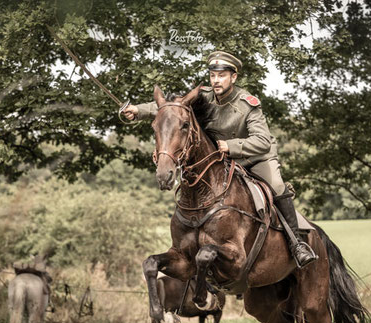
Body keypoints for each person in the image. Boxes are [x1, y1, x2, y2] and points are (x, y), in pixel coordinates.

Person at [123, 51, 317, 267]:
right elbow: (173, 108)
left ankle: (297, 243)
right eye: (213, 75)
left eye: (222, 75)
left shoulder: (247, 103)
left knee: (277, 185)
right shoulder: (204, 95)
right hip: (221, 161)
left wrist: (231, 146)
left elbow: (263, 141)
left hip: (254, 158)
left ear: (233, 77)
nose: (216, 80)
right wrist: (137, 110)